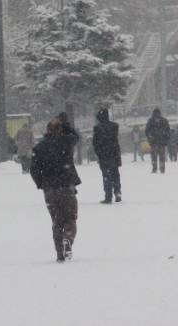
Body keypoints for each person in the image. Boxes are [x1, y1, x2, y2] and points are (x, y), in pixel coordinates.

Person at [30, 118, 81, 263]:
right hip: (66, 186)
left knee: (56, 221)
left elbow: (33, 169)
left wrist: (41, 183)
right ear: (60, 130)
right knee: (70, 218)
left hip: (50, 189)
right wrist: (67, 126)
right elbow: (76, 137)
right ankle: (68, 239)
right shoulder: (66, 142)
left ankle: (59, 252)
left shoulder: (39, 148)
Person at [91, 108, 122, 204]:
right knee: (115, 174)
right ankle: (117, 192)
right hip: (114, 153)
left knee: (106, 175)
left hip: (104, 155)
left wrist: (98, 152)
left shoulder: (97, 128)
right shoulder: (114, 126)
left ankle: (108, 195)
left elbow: (95, 143)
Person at [145, 109, 171, 174]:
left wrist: (150, 139)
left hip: (153, 142)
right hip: (162, 142)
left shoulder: (150, 121)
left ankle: (154, 168)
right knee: (162, 156)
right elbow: (168, 131)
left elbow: (147, 131)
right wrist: (166, 140)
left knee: (154, 156)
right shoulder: (164, 120)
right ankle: (162, 169)